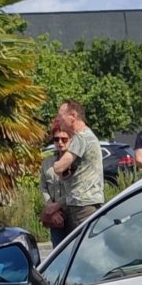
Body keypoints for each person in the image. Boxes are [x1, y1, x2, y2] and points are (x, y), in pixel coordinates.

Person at [52, 100, 104, 235]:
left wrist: (57, 164)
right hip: (90, 201)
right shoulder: (88, 136)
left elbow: (59, 168)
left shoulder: (81, 138)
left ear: (73, 116)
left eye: (61, 116)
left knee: (82, 247)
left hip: (82, 204)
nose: (59, 120)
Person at [40, 125, 71, 246]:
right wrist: (50, 207)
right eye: (56, 139)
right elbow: (43, 186)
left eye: (64, 139)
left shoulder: (75, 161)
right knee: (58, 250)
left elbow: (75, 188)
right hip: (55, 216)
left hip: (72, 212)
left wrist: (58, 206)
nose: (60, 142)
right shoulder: (47, 162)